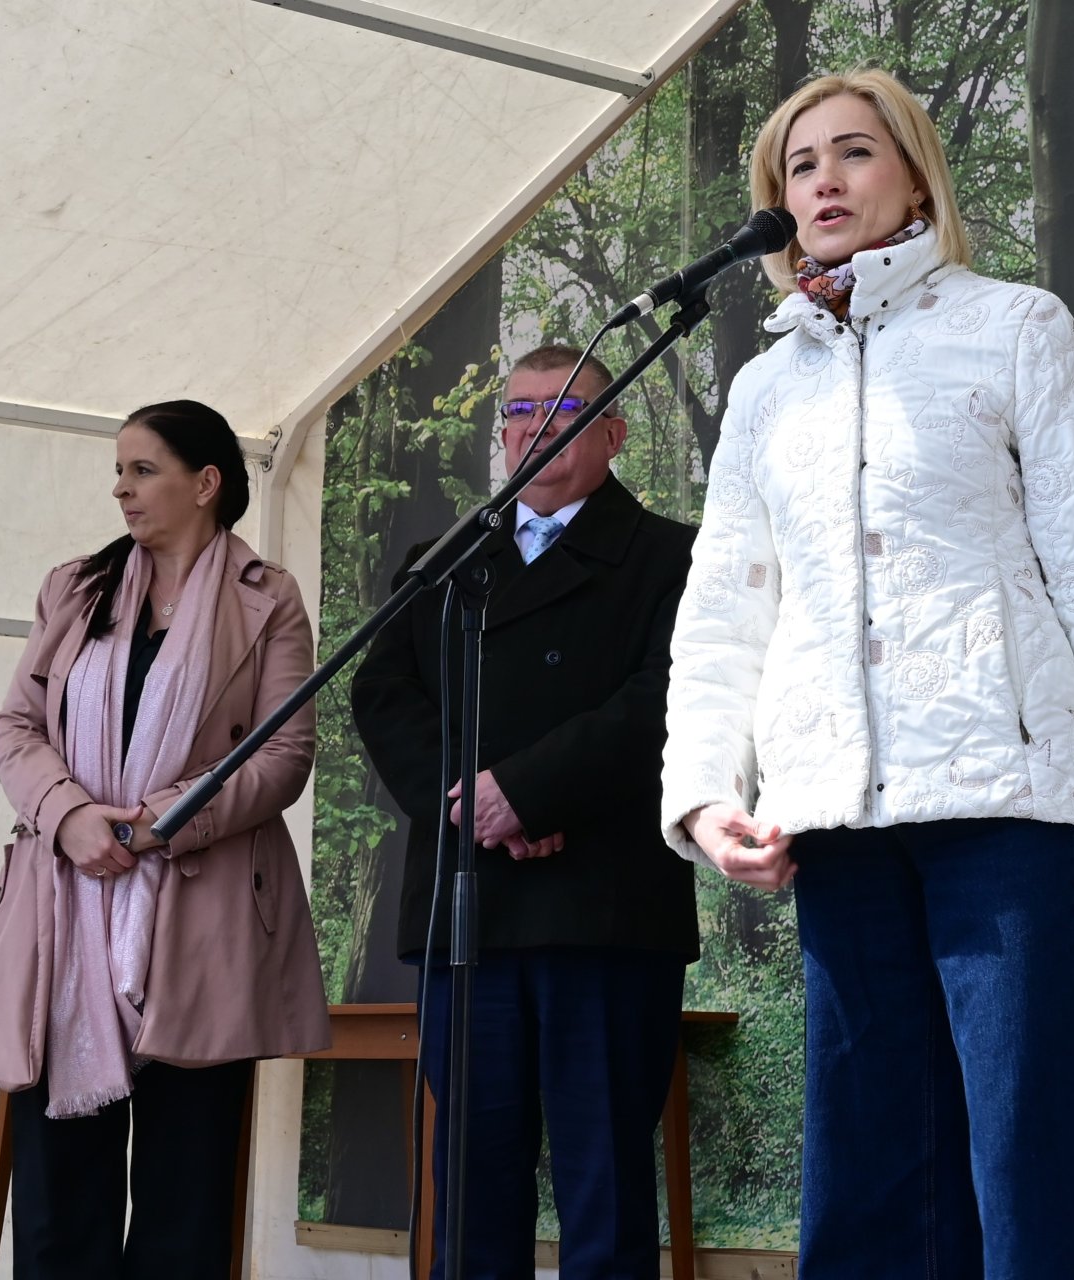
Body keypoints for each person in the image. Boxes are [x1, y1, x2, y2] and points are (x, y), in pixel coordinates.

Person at [658, 70, 1074, 1278]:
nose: (821, 180)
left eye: (852, 154)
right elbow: (723, 616)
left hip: (1010, 811)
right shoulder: (763, 390)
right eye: (798, 166)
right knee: (868, 1184)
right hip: (837, 821)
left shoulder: (1016, 327)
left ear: (915, 175)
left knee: (1031, 1172)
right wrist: (707, 793)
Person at [351, 344, 699, 1280]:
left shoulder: (674, 556)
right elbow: (383, 697)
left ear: (615, 432)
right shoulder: (441, 563)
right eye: (518, 412)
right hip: (469, 914)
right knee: (470, 1187)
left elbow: (665, 700)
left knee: (605, 1188)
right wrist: (476, 807)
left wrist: (533, 792)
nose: (536, 429)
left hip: (606, 911)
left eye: (565, 410)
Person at [0, 399, 329, 1278]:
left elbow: (285, 751)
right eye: (119, 469)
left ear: (205, 483)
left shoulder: (268, 599)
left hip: (203, 922)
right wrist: (72, 816)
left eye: (142, 470)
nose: (121, 489)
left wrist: (166, 822)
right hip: (65, 914)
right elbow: (16, 729)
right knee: (58, 1207)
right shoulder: (74, 588)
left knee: (187, 1203)